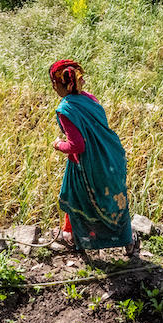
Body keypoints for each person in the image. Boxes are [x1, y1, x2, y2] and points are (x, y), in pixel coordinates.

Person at [49, 59, 137, 256]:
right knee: (115, 199)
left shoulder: (66, 110)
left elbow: (77, 145)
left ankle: (75, 238)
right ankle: (128, 241)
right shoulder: (90, 99)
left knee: (75, 198)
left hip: (88, 164)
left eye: (53, 83)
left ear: (57, 84)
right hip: (111, 155)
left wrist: (58, 145)